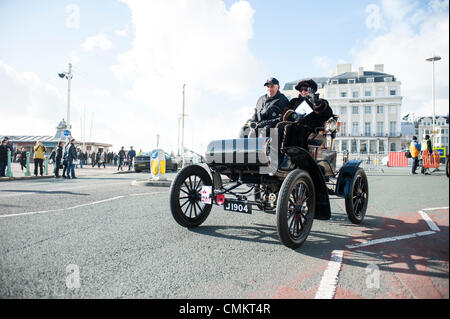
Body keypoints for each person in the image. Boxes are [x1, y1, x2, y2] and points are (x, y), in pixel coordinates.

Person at [276, 79, 333, 170]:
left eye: (306, 89)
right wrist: (293, 115)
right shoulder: (294, 101)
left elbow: (328, 114)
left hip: (311, 128)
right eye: (301, 89)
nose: (303, 91)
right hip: (294, 124)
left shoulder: (321, 101)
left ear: (312, 91)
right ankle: (277, 157)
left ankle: (290, 158)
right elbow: (284, 114)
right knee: (280, 127)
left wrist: (316, 103)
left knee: (292, 128)